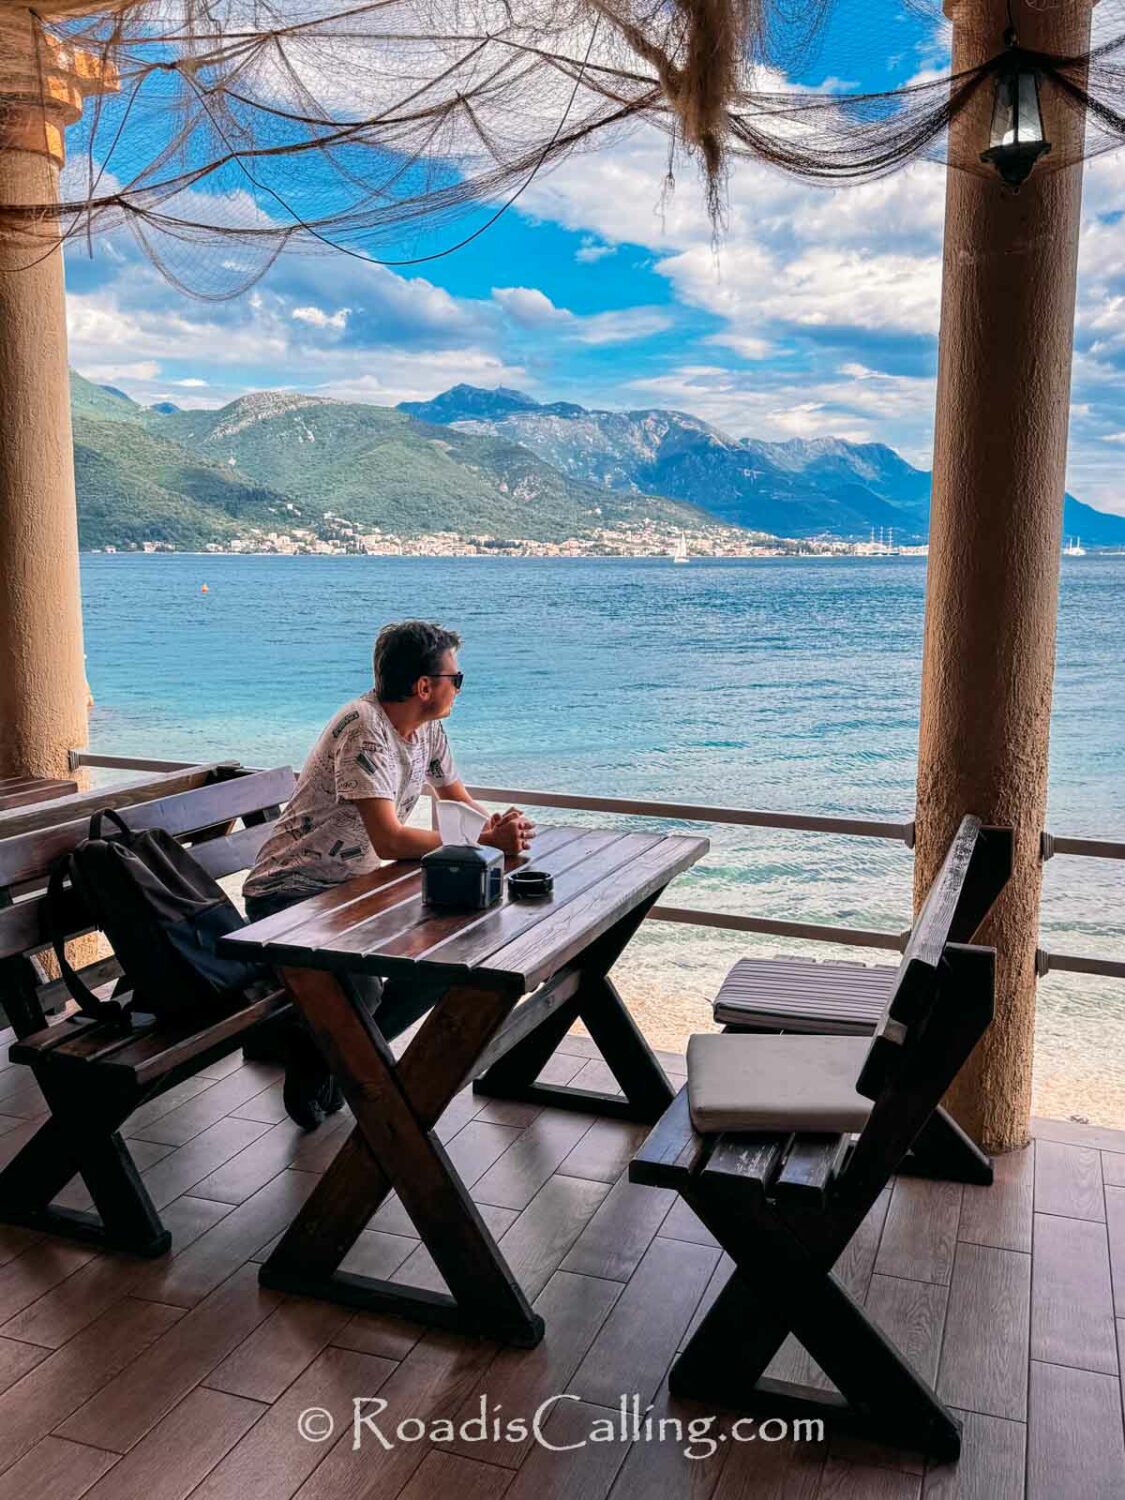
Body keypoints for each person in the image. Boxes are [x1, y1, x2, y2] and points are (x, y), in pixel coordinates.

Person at [242, 619, 534, 1128]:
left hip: (355, 889)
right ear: (425, 686)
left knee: (447, 958)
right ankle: (332, 1064)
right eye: (456, 679)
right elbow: (391, 839)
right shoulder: (365, 729)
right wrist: (485, 843)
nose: (459, 689)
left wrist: (500, 827)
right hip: (291, 893)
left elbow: (458, 801)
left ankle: (331, 1054)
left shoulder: (427, 730)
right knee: (369, 988)